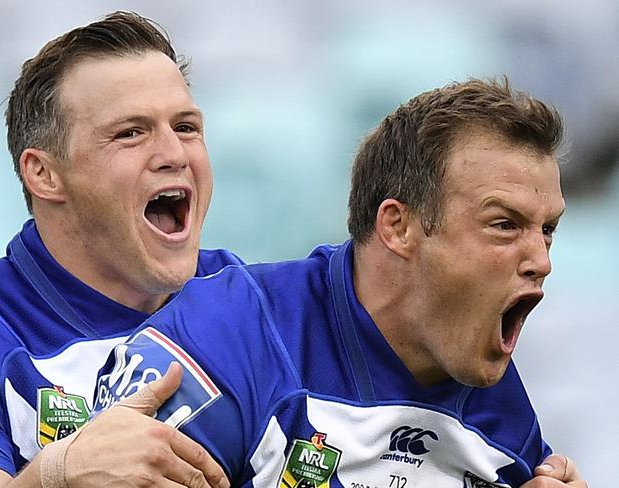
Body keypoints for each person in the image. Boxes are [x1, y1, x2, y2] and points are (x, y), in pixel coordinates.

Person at [93, 78, 587, 487]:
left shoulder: (508, 429)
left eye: (547, 231)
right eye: (504, 225)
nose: (540, 260)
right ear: (399, 227)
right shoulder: (229, 339)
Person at [0, 11, 242, 488]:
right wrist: (59, 474)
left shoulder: (249, 305)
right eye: (130, 133)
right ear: (44, 174)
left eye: (185, 127)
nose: (174, 154)